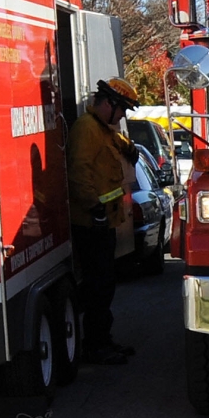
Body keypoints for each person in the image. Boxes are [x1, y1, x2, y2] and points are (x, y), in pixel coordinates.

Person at [67, 78, 139, 364]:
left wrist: (128, 147)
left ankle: (102, 341)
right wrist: (93, 207)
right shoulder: (86, 129)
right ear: (108, 104)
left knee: (104, 286)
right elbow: (78, 172)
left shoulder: (102, 129)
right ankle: (96, 346)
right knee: (98, 288)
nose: (122, 116)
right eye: (121, 110)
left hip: (103, 224)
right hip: (91, 224)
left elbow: (115, 141)